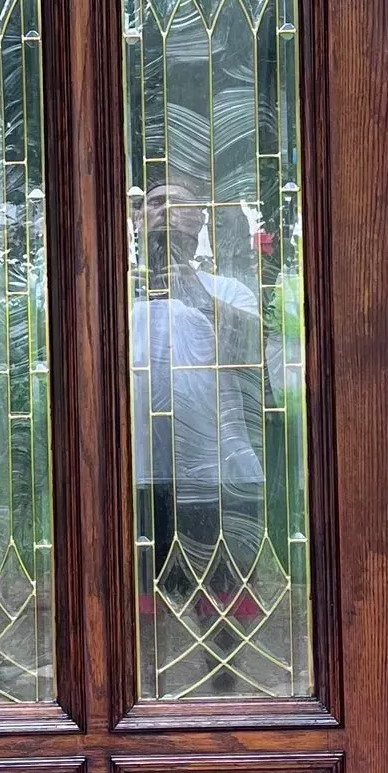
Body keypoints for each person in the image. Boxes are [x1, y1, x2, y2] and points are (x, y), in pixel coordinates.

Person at [129, 181, 272, 688]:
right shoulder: (115, 298)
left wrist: (193, 291)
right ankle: (149, 694)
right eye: (153, 202)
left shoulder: (228, 290)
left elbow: (254, 355)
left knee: (223, 593)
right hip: (142, 474)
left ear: (200, 223)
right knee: (144, 597)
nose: (165, 211)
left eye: (178, 202)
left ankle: (223, 689)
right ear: (136, 222)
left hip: (217, 472)